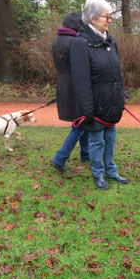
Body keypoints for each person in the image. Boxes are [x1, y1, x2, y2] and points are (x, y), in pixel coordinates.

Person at [70, 0, 128, 190]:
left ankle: (111, 171)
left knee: (110, 138)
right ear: (93, 19)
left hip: (111, 102)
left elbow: (116, 74)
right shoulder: (80, 44)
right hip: (94, 105)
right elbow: (81, 81)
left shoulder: (110, 41)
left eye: (110, 16)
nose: (109, 20)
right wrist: (87, 110)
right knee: (97, 142)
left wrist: (120, 95)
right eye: (106, 17)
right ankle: (98, 174)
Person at [51, 12, 89, 172]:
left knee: (83, 121)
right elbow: (80, 68)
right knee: (79, 124)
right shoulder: (75, 42)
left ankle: (85, 154)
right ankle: (59, 159)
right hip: (75, 86)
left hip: (62, 84)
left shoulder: (56, 41)